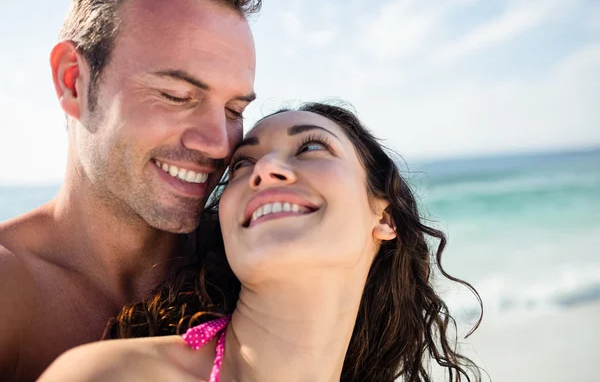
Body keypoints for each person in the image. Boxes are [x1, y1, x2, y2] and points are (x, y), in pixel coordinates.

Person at [39, 102, 483, 382]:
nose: (265, 169)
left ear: (383, 216)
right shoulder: (114, 376)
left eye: (311, 148)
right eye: (242, 163)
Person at [0, 0, 262, 380]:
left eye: (234, 109)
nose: (218, 143)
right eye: (176, 95)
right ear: (73, 81)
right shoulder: (9, 290)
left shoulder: (256, 269)